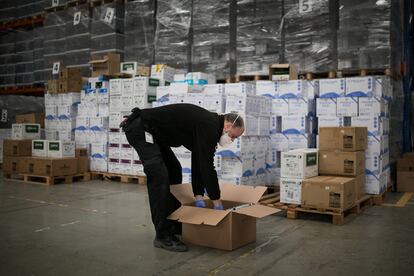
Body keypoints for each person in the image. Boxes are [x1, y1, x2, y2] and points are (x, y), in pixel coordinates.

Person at [122, 103, 244, 252]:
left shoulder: (210, 125)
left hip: (155, 134)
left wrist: (198, 195)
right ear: (227, 125)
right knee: (160, 177)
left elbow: (199, 160)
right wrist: (216, 201)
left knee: (174, 170)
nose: (231, 140)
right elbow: (207, 167)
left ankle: (174, 222)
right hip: (141, 129)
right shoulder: (210, 126)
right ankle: (163, 235)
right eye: (233, 136)